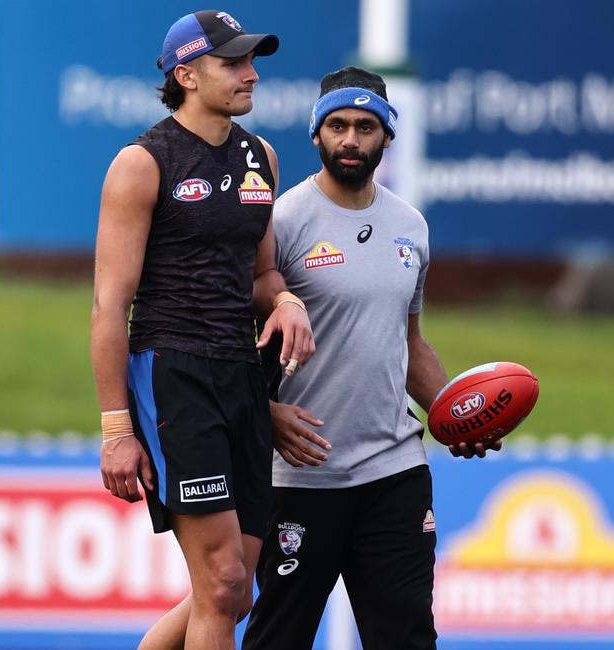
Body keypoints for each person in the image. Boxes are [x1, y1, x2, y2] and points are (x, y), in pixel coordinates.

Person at [242, 66, 502, 650]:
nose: (351, 139)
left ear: (388, 136)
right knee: (277, 638)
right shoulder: (281, 220)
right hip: (300, 476)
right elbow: (234, 337)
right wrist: (264, 411)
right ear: (316, 134)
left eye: (365, 126)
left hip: (394, 471)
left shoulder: (410, 225)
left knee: (407, 638)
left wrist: (455, 414)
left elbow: (408, 341)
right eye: (337, 125)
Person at [90, 10, 315, 650]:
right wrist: (115, 430)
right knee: (219, 581)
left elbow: (262, 273)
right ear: (186, 75)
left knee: (237, 588)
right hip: (174, 373)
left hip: (243, 376)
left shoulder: (260, 156)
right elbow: (110, 305)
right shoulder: (142, 162)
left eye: (252, 61)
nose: (252, 75)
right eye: (235, 63)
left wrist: (287, 300)